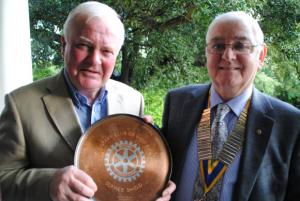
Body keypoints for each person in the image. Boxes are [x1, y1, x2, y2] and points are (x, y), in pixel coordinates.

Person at [0, 2, 175, 201]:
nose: (94, 60)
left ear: (116, 55)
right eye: (84, 45)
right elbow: (3, 179)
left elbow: (130, 170)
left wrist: (155, 181)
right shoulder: (20, 104)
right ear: (63, 45)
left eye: (106, 51)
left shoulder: (133, 100)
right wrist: (48, 184)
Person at [161, 11, 300, 201]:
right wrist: (141, 134)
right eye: (218, 45)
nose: (227, 55)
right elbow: (157, 166)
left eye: (240, 45)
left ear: (261, 55)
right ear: (207, 51)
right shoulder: (177, 102)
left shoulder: (290, 123)